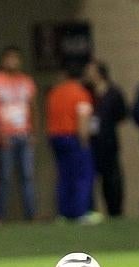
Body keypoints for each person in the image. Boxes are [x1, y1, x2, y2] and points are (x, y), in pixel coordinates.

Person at [0, 46, 37, 221]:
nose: (12, 62)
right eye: (9, 58)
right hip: (5, 135)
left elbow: (33, 107)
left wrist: (33, 131)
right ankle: (0, 215)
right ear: (3, 60)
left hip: (24, 133)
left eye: (15, 58)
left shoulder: (27, 82)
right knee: (4, 177)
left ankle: (31, 215)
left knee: (27, 176)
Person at [46, 64, 99, 224]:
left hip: (56, 137)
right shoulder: (81, 93)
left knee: (64, 175)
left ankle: (64, 213)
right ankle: (80, 212)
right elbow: (82, 120)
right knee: (82, 175)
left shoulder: (55, 92)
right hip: (73, 138)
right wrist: (84, 141)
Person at [84, 60, 127, 217]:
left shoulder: (114, 92)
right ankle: (91, 211)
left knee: (112, 178)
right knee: (89, 177)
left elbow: (122, 115)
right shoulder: (86, 92)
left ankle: (115, 211)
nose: (87, 74)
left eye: (90, 71)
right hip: (90, 142)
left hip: (108, 141)